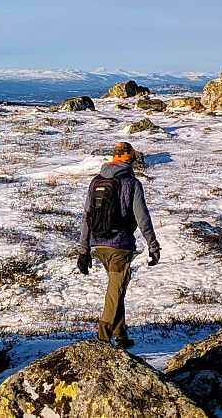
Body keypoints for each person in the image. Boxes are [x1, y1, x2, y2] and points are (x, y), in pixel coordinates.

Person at [78, 142, 161, 349]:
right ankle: (103, 339)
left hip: (100, 246)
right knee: (115, 291)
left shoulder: (96, 181)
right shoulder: (131, 183)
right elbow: (143, 218)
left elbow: (86, 217)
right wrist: (153, 245)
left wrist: (84, 250)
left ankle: (121, 335)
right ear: (130, 160)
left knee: (118, 288)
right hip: (120, 246)